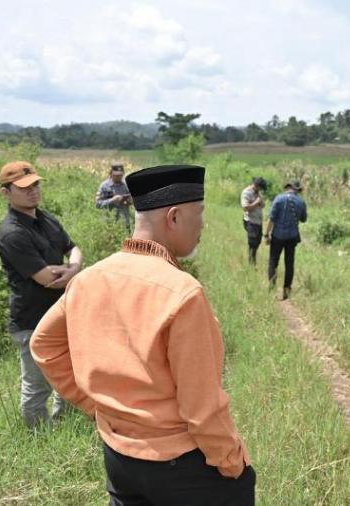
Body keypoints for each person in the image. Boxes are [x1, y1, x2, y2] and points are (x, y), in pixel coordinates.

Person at [31, 164, 255, 505]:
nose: (204, 225)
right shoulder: (183, 293)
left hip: (119, 455)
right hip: (183, 464)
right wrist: (231, 462)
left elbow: (44, 345)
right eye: (201, 213)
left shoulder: (90, 278)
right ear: (175, 217)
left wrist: (96, 406)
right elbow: (201, 408)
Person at [0, 161, 82, 429]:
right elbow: (46, 280)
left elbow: (74, 248)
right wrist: (71, 272)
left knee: (69, 376)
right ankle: (38, 438)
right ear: (6, 193)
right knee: (36, 386)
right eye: (24, 188)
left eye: (35, 184)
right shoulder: (12, 233)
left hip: (61, 313)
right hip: (32, 322)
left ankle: (63, 425)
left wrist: (73, 267)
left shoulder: (46, 219)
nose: (33, 191)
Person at [265, 179, 307, 300]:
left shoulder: (278, 199)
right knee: (289, 264)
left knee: (273, 262)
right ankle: (286, 291)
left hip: (277, 235)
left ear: (287, 187)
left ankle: (272, 289)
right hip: (292, 237)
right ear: (298, 190)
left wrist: (266, 235)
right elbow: (304, 219)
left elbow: (271, 219)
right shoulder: (301, 202)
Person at [96, 163, 132, 231]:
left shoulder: (126, 185)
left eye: (120, 175)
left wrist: (129, 201)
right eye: (116, 175)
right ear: (111, 173)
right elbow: (98, 204)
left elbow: (131, 200)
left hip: (124, 224)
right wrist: (112, 200)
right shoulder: (104, 186)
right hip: (109, 225)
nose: (118, 177)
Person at [241, 177, 267, 265]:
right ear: (256, 185)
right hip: (250, 221)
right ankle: (251, 263)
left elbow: (262, 205)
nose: (260, 190)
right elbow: (245, 208)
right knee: (252, 242)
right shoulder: (246, 192)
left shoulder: (258, 193)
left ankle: (253, 260)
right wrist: (256, 202)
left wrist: (261, 202)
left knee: (258, 241)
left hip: (258, 221)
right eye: (260, 188)